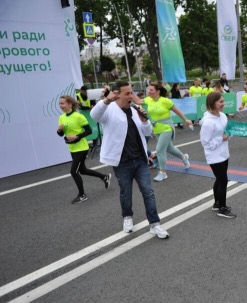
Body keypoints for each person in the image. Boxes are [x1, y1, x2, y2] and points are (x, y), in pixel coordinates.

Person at [90, 81, 169, 239]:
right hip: (121, 162)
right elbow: (95, 115)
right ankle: (127, 217)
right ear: (116, 94)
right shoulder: (109, 109)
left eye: (131, 93)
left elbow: (147, 131)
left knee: (148, 192)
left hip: (139, 159)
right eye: (127, 93)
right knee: (126, 192)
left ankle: (155, 224)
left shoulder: (134, 110)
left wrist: (145, 121)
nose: (131, 96)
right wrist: (106, 101)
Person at [132, 83, 192, 182]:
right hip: (156, 128)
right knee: (169, 148)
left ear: (158, 91)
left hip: (167, 127)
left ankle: (163, 173)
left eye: (151, 90)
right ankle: (184, 157)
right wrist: (130, 90)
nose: (148, 92)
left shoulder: (165, 101)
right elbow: (137, 100)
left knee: (159, 150)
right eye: (148, 90)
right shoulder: (148, 100)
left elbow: (177, 111)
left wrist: (186, 120)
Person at [57, 95, 111, 204]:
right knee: (83, 170)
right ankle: (104, 177)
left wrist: (77, 136)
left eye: (62, 103)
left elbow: (89, 131)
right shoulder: (62, 117)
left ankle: (82, 195)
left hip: (81, 148)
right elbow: (61, 134)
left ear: (69, 104)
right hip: (72, 148)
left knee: (74, 172)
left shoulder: (78, 116)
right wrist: (59, 130)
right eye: (60, 104)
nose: (61, 106)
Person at [199, 92, 236, 219]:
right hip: (214, 156)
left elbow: (227, 131)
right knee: (223, 180)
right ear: (212, 103)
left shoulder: (223, 116)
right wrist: (222, 139)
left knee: (219, 179)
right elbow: (206, 143)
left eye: (223, 101)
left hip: (224, 153)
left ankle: (217, 203)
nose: (223, 104)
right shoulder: (208, 122)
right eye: (220, 102)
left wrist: (229, 134)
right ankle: (222, 208)